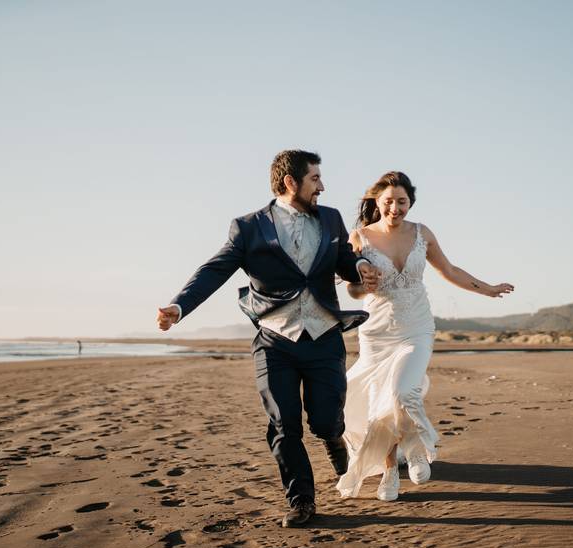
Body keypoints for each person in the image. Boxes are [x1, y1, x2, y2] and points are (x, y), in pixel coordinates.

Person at [157, 150, 380, 527]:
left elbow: (342, 256)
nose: (322, 187)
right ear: (290, 182)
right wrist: (179, 307)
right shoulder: (248, 228)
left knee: (325, 420)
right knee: (283, 424)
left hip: (324, 333)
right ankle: (302, 500)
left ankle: (334, 438)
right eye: (315, 179)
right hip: (275, 341)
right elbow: (214, 271)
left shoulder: (331, 218)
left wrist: (358, 265)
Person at [336, 171, 513, 501]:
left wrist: (487, 289)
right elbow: (352, 288)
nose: (395, 208)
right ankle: (391, 469)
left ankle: (417, 447)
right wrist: (364, 286)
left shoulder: (422, 233)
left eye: (401, 202)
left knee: (403, 391)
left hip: (417, 328)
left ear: (410, 202)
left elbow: (448, 270)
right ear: (377, 201)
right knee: (381, 404)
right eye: (388, 201)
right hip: (377, 334)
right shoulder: (359, 237)